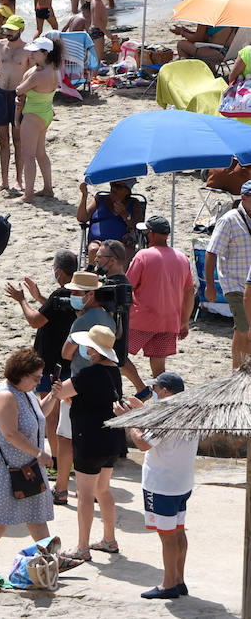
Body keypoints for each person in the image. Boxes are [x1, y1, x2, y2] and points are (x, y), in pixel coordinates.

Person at [4, 250, 80, 504]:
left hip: (51, 364)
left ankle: (56, 462)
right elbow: (56, 311)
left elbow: (36, 320)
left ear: (58, 272)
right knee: (64, 416)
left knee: (50, 415)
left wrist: (22, 300)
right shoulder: (77, 293)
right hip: (69, 362)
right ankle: (65, 463)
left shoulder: (60, 294)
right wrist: (39, 297)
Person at [0, 348, 56, 572]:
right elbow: (10, 433)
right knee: (0, 519)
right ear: (21, 373)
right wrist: (40, 453)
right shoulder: (6, 396)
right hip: (5, 467)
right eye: (36, 377)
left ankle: (49, 562)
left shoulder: (25, 391)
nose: (39, 382)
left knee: (36, 516)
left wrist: (55, 396)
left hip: (26, 466)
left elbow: (39, 415)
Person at [119, 371, 198, 599]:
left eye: (154, 390)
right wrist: (142, 413)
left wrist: (132, 420)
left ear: (165, 391)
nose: (152, 392)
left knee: (167, 536)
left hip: (162, 486)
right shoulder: (189, 413)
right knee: (178, 532)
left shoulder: (165, 416)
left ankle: (168, 584)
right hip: (182, 484)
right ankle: (179, 580)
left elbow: (144, 443)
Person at [55, 325, 126, 563]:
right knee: (102, 490)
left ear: (93, 350)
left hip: (90, 441)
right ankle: (109, 539)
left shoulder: (87, 374)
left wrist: (64, 394)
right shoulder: (114, 372)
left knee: (84, 495)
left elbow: (61, 393)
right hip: (111, 440)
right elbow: (95, 400)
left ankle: (82, 547)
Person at [126, 216, 195, 381]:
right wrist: (184, 321)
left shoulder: (143, 256)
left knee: (115, 354)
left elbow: (127, 286)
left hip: (142, 320)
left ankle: (140, 388)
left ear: (151, 233)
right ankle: (162, 399)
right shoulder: (182, 258)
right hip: (169, 322)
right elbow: (189, 292)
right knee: (158, 367)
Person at [206, 182, 251, 368]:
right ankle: (237, 372)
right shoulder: (229, 220)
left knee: (247, 330)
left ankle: (244, 369)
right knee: (243, 328)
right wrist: (209, 285)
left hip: (249, 284)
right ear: (244, 197)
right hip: (235, 285)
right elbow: (211, 252)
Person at [0, 15, 29, 191]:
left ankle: (18, 180)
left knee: (18, 140)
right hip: (1, 95)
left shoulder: (27, 50)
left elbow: (30, 76)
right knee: (3, 140)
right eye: (6, 29)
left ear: (21, 30)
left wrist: (24, 98)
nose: (7, 32)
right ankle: (4, 180)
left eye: (11, 29)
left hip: (18, 97)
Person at [14, 36, 60, 203]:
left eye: (35, 52)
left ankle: (28, 195)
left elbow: (19, 89)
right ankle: (48, 188)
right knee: (41, 153)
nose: (31, 55)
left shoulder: (38, 75)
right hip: (46, 112)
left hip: (34, 115)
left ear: (45, 53)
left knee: (28, 155)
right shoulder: (54, 69)